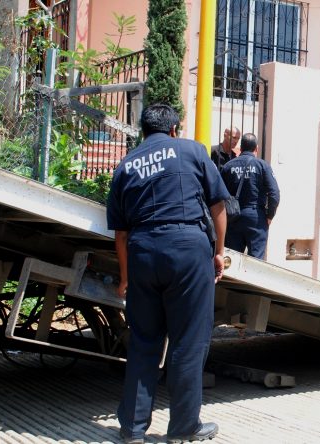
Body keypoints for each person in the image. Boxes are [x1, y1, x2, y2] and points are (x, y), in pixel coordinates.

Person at [106, 104, 228, 444]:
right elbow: (218, 207)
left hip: (143, 252)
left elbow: (120, 233)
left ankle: (131, 429)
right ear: (174, 129)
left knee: (144, 341)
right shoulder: (192, 150)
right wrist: (219, 253)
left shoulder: (126, 164)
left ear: (144, 131)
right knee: (188, 341)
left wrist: (126, 276)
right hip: (188, 250)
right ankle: (184, 427)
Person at [220, 133, 280, 259]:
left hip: (233, 217)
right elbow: (274, 193)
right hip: (256, 218)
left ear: (240, 148)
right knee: (256, 262)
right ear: (256, 149)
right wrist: (269, 216)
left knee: (232, 261)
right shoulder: (262, 166)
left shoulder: (228, 166)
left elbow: (219, 194)